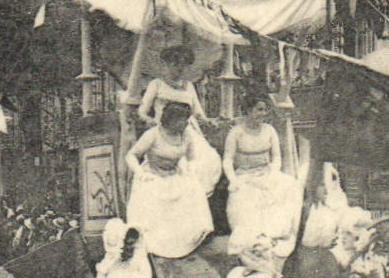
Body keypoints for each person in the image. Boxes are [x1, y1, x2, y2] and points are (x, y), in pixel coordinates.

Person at [125, 102, 214, 259]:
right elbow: (131, 155)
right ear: (171, 120)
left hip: (174, 175)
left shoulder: (186, 136)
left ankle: (191, 237)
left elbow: (191, 159)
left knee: (194, 188)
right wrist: (140, 173)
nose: (186, 124)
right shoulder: (153, 134)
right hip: (153, 175)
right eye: (183, 120)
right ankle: (155, 243)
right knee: (151, 192)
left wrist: (189, 171)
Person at [222, 89, 301, 255]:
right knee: (246, 197)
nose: (263, 114)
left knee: (290, 185)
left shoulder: (269, 130)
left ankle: (274, 234)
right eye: (259, 110)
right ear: (248, 111)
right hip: (245, 176)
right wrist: (233, 180)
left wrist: (271, 176)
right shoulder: (236, 132)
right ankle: (254, 238)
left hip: (266, 174)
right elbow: (228, 161)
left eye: (264, 110)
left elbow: (277, 158)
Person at [136, 45, 221, 193]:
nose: (179, 68)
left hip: (187, 130)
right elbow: (142, 111)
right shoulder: (156, 84)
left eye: (183, 64)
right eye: (175, 63)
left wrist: (208, 121)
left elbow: (198, 112)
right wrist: (150, 121)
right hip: (164, 129)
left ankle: (192, 197)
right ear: (166, 64)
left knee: (206, 160)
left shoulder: (189, 86)